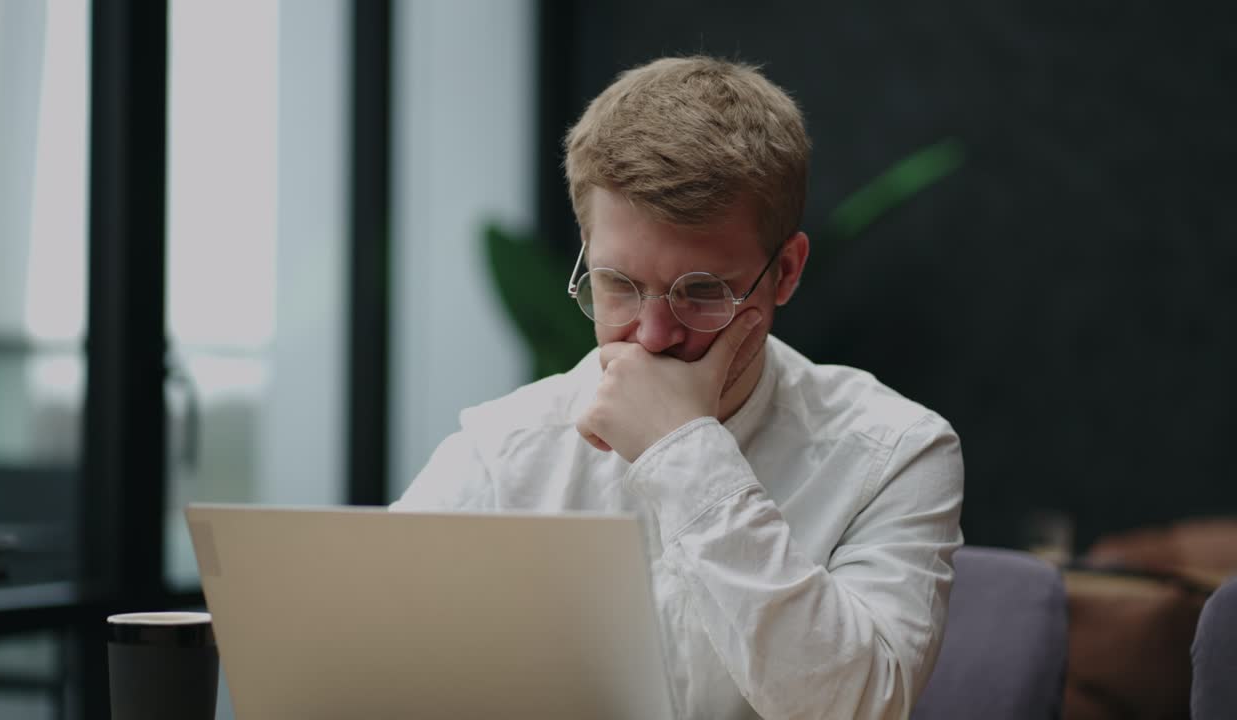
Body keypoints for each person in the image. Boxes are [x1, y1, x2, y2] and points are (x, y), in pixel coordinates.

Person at [393, 55, 964, 720]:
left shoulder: (895, 453)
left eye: (700, 292)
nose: (653, 335)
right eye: (617, 285)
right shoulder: (500, 452)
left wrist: (684, 452)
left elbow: (858, 706)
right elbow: (368, 668)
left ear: (784, 272)